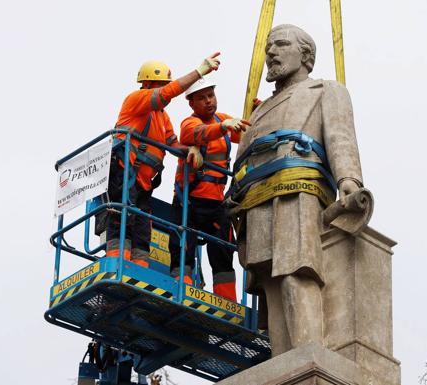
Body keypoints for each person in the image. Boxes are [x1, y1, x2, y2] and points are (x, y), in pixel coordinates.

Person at [229, 25, 363, 355]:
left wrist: (349, 180)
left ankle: (308, 352)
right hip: (258, 200)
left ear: (305, 55)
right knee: (268, 282)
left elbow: (340, 137)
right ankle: (284, 360)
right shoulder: (258, 111)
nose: (271, 52)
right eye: (268, 47)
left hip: (299, 191)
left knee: (296, 272)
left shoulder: (325, 90)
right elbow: (244, 155)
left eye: (281, 44)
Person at [105, 53, 221, 267]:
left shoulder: (162, 116)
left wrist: (190, 150)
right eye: (160, 85)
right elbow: (167, 94)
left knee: (141, 226)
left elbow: (173, 145)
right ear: (147, 83)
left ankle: (138, 268)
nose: (164, 90)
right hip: (125, 172)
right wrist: (198, 73)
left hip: (144, 182)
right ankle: (116, 264)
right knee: (122, 218)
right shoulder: (135, 100)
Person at [168, 77, 250, 301]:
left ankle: (227, 301)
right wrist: (223, 126)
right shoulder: (190, 123)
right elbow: (195, 134)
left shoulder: (221, 120)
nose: (208, 101)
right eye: (202, 98)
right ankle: (181, 290)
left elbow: (246, 133)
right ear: (191, 103)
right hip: (190, 201)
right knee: (183, 246)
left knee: (223, 250)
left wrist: (260, 113)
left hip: (215, 202)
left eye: (210, 96)